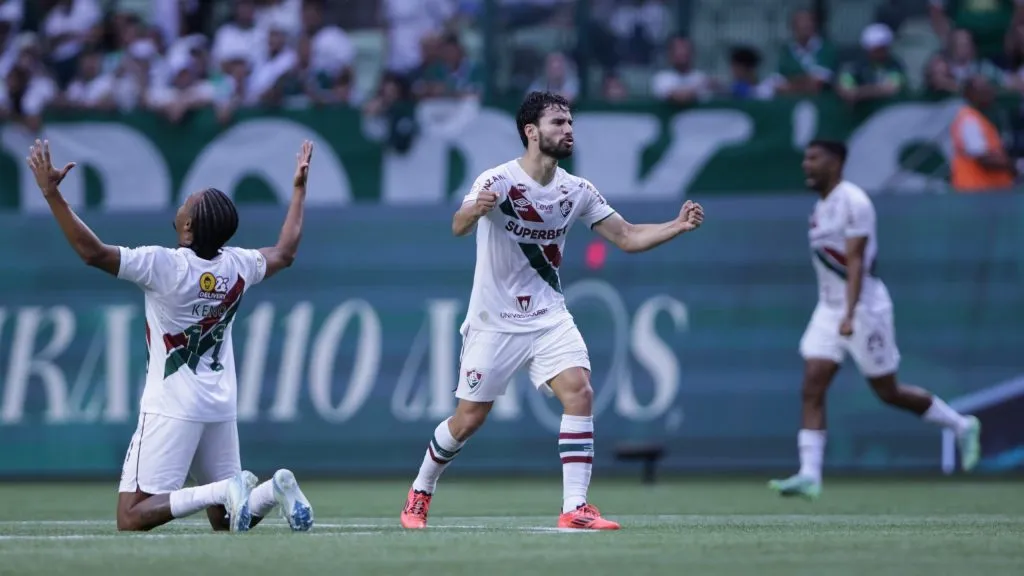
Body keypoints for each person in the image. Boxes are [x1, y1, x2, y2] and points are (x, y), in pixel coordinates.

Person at [399, 91, 705, 530]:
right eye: (558, 123)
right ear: (531, 131)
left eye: (570, 123)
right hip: (493, 321)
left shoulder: (576, 190)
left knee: (579, 390)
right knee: (468, 419)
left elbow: (628, 236)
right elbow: (457, 225)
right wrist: (476, 209)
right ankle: (421, 491)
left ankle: (575, 507)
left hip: (547, 316)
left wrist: (677, 226)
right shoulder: (498, 180)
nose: (568, 130)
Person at [25, 139, 316, 532]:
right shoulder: (238, 265)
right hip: (219, 404)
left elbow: (92, 253)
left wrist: (51, 193)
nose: (182, 205)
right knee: (229, 520)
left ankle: (222, 489)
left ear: (188, 226)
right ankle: (274, 489)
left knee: (130, 515)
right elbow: (285, 252)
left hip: (172, 406)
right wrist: (298, 190)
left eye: (187, 203)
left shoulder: (164, 267)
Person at [768, 140, 982, 499]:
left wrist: (849, 315)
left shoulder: (855, 202)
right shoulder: (820, 207)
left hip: (864, 308)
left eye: (813, 158)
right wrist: (836, 312)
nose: (806, 165)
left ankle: (961, 424)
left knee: (887, 391)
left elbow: (856, 263)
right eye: (805, 158)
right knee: (812, 386)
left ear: (836, 162)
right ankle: (810, 474)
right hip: (829, 308)